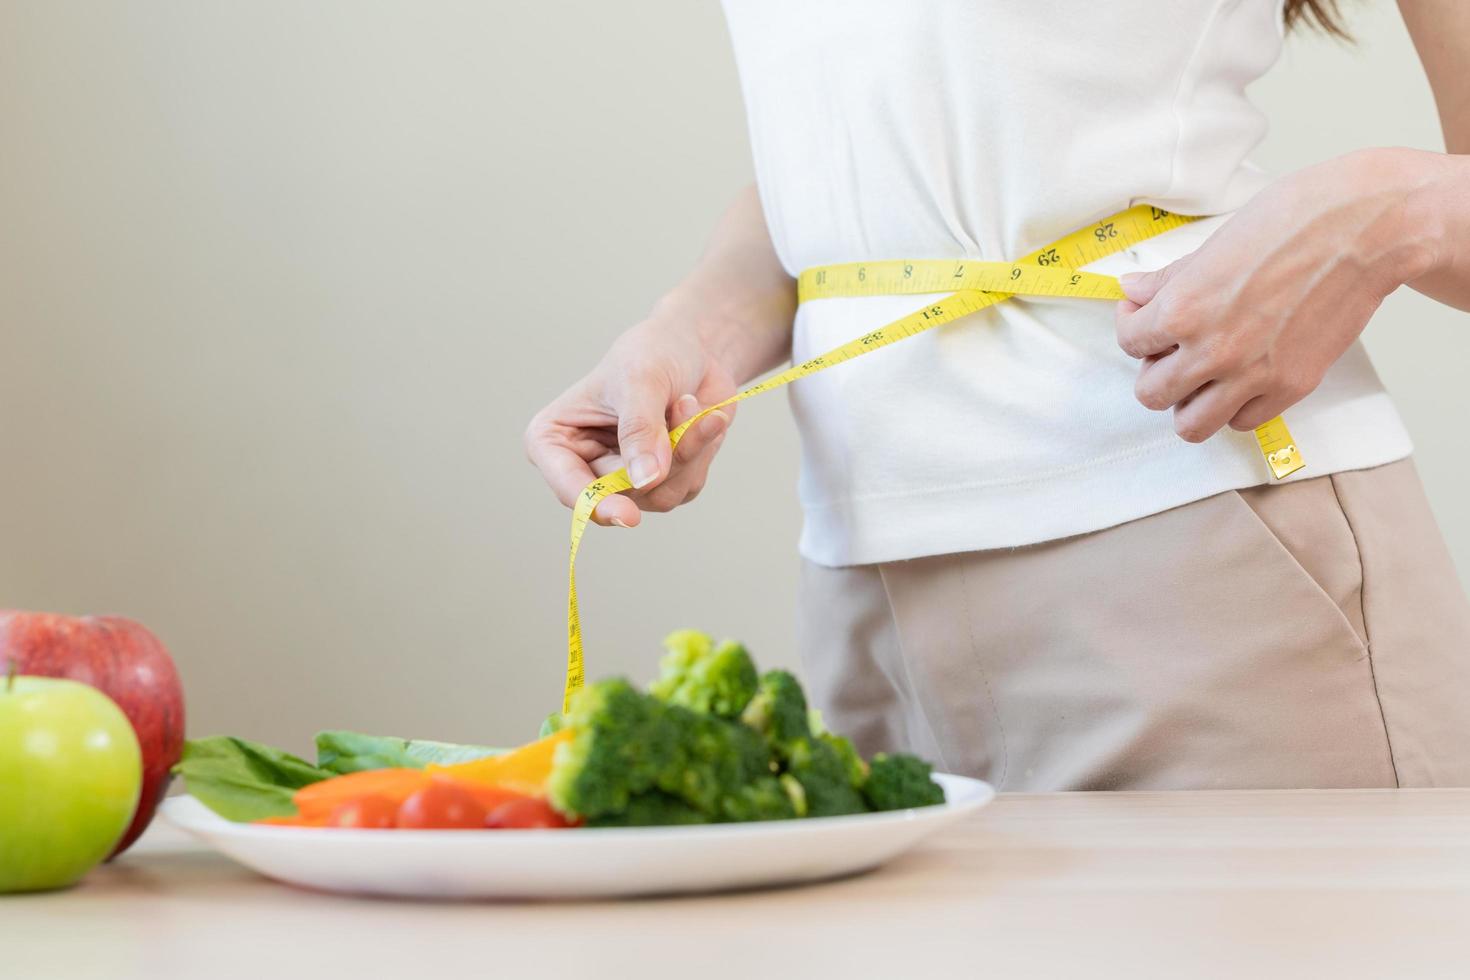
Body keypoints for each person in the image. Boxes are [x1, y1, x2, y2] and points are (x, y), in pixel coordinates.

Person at [525, 0, 1470, 790]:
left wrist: (1385, 210)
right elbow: (858, 138)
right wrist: (695, 329)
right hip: (865, 596)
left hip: (1197, 534)